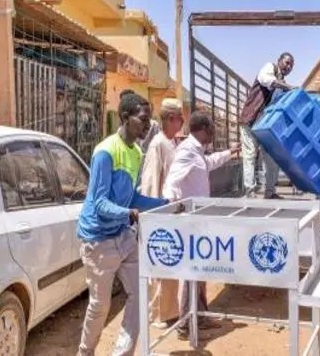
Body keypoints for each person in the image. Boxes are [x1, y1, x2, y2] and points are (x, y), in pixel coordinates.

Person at [76, 93, 171, 356]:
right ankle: (85, 353)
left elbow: (133, 197)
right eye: (142, 119)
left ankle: (122, 352)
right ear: (125, 118)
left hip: (122, 234)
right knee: (100, 306)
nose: (147, 124)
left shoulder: (136, 152)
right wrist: (130, 214)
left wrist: (164, 203)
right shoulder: (105, 152)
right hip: (98, 239)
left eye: (148, 119)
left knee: (140, 295)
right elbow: (99, 204)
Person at [163, 110, 241, 340]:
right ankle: (185, 324)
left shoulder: (197, 152)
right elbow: (171, 182)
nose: (214, 134)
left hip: (198, 222)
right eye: (212, 129)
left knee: (200, 271)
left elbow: (208, 163)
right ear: (204, 129)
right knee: (190, 274)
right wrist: (171, 205)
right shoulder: (187, 151)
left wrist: (229, 152)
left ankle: (200, 316)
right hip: (189, 223)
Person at [139, 98, 184, 329]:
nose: (182, 122)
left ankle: (168, 313)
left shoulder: (171, 142)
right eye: (179, 117)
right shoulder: (158, 144)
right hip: (160, 215)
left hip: (171, 215)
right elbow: (150, 184)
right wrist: (154, 215)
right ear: (168, 119)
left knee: (170, 268)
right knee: (160, 268)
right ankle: (158, 315)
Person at [239, 52, 296, 199]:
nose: (288, 67)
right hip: (250, 120)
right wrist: (289, 87)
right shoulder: (269, 68)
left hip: (264, 126)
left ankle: (270, 191)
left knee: (272, 158)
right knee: (250, 155)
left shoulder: (281, 82)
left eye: (291, 66)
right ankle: (250, 191)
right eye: (286, 63)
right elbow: (267, 80)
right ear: (279, 61)